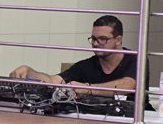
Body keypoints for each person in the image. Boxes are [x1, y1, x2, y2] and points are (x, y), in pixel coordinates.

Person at [9, 14, 141, 91]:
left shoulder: (135, 59)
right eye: (93, 39)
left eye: (103, 39)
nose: (95, 43)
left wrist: (87, 89)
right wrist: (30, 72)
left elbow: (127, 86)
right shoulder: (86, 66)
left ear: (118, 40)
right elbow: (54, 80)